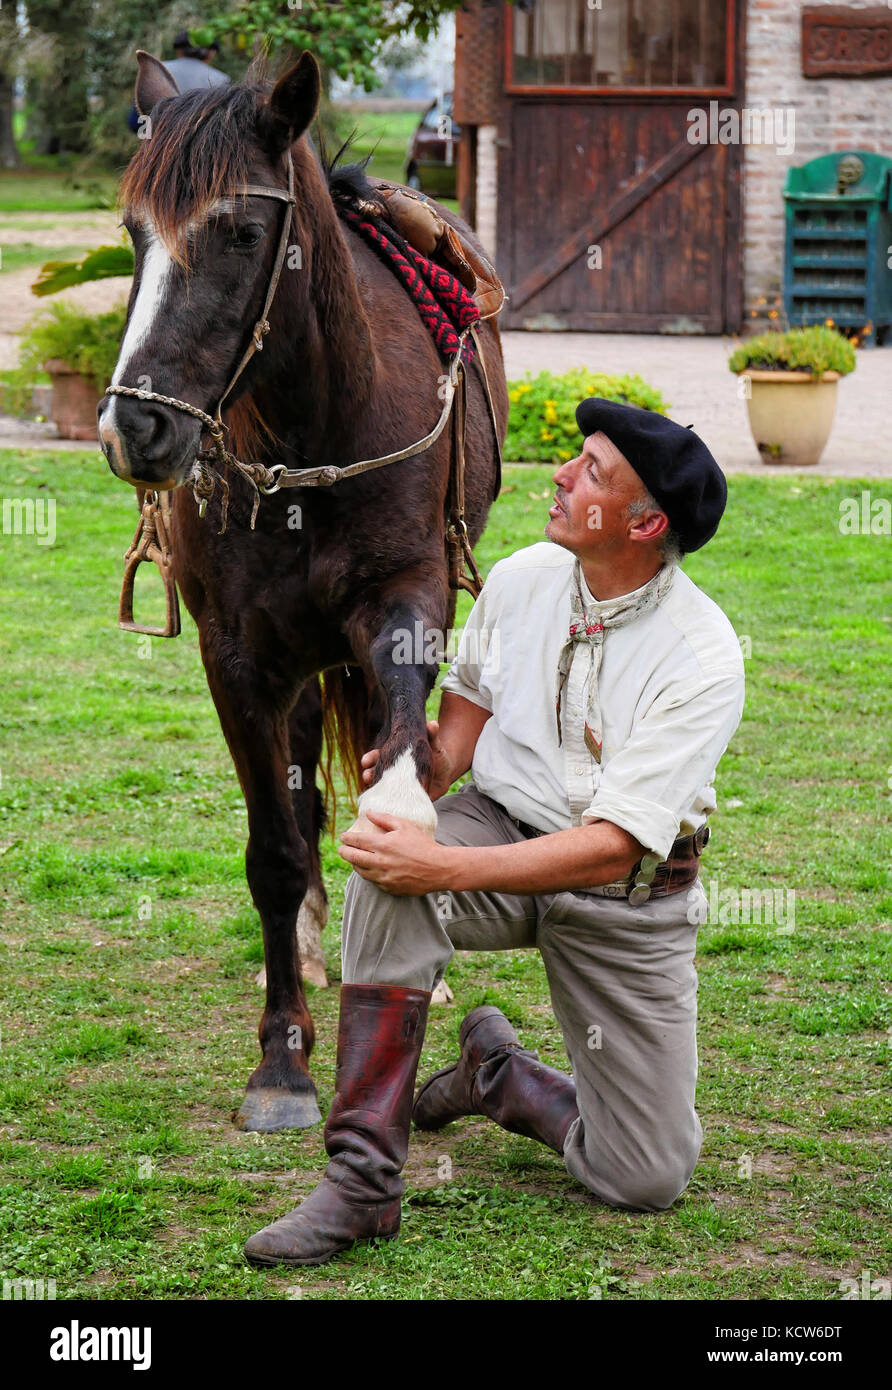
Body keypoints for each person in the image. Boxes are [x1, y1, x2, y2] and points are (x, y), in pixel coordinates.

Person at [243, 398, 746, 1268]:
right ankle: (362, 1181)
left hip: (622, 897)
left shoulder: (701, 656)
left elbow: (614, 846)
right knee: (384, 864)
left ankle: (498, 1075)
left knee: (647, 1176)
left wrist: (437, 866)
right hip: (500, 822)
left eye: (591, 470)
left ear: (645, 521)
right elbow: (465, 715)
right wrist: (421, 771)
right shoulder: (520, 579)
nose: (559, 474)